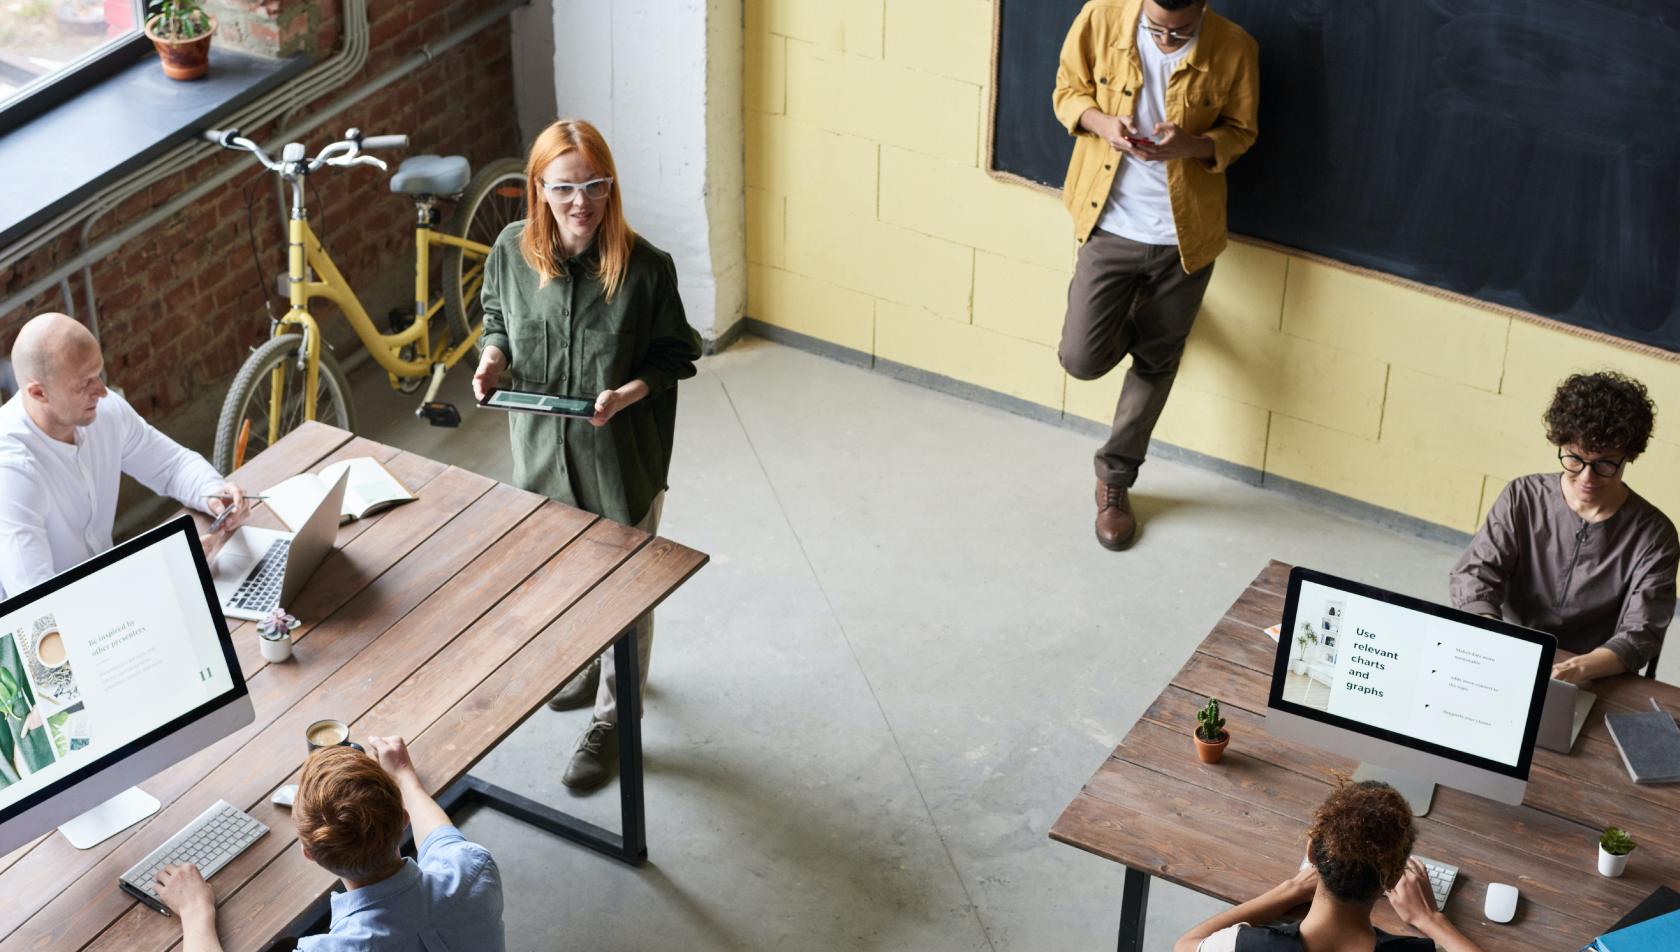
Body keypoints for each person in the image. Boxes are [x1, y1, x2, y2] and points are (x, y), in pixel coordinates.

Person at [471, 119, 702, 791]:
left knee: (624, 599)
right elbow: (495, 320)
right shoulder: (511, 252)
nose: (582, 204)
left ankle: (612, 717)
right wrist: (492, 360)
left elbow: (676, 355)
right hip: (542, 461)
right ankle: (579, 664)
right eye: (565, 188)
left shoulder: (646, 269)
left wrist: (627, 396)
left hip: (619, 466)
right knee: (565, 582)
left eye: (595, 186)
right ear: (537, 189)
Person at [1053, 0, 1259, 551]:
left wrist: (1189, 146)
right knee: (1081, 357)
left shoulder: (1235, 47)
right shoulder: (1099, 17)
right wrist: (1104, 125)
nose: (1167, 40)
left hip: (1184, 237)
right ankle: (1154, 324)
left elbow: (1241, 131)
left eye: (1182, 32)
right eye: (1156, 29)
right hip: (1109, 222)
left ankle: (1115, 482)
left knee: (1157, 360)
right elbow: (1067, 92)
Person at [154, 737, 504, 952]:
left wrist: (196, 910)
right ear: (403, 819)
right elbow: (441, 837)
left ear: (309, 853)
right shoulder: (473, 868)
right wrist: (403, 775)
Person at [0, 312, 249, 602]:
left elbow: (172, 465)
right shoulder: (11, 473)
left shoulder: (99, 411)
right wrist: (160, 573)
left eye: (99, 374)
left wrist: (214, 493)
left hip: (110, 594)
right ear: (38, 393)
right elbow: (38, 607)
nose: (102, 391)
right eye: (84, 384)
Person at [1451, 372, 1676, 684]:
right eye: (1574, 459)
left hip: (1596, 672)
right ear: (1561, 444)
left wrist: (1580, 669)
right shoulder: (1523, 497)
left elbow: (1643, 629)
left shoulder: (1654, 535)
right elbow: (1475, 574)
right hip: (1507, 652)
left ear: (1629, 457)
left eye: (1604, 464)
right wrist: (1493, 633)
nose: (1586, 478)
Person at [1174, 778, 1484, 952]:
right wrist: (1430, 919)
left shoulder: (1244, 947)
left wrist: (1289, 889)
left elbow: (1186, 946)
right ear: (1392, 880)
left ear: (1312, 852)